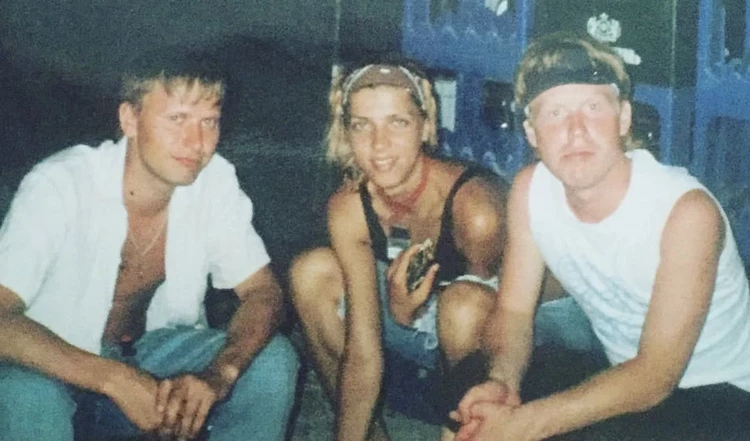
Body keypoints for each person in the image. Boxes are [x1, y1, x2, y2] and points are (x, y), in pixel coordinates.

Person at [452, 31, 750, 441]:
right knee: (474, 385)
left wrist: (524, 424)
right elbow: (515, 311)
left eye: (593, 108)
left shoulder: (685, 213)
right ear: (532, 133)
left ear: (624, 118)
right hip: (623, 372)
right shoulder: (530, 190)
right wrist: (503, 383)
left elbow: (655, 376)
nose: (576, 130)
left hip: (720, 396)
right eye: (555, 113)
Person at [0, 46, 300, 441]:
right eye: (177, 119)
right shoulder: (60, 184)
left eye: (209, 122)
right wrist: (112, 378)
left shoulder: (214, 182)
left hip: (145, 357)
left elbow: (263, 291)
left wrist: (220, 373)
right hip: (51, 366)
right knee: (26, 394)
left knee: (272, 361)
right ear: (130, 119)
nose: (196, 141)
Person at [289, 57, 513, 441]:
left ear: (425, 126)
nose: (379, 144)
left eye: (398, 122)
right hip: (409, 327)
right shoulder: (350, 206)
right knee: (310, 272)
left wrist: (414, 312)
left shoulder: (477, 210)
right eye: (362, 125)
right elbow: (363, 348)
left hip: (483, 348)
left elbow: (499, 329)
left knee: (462, 304)